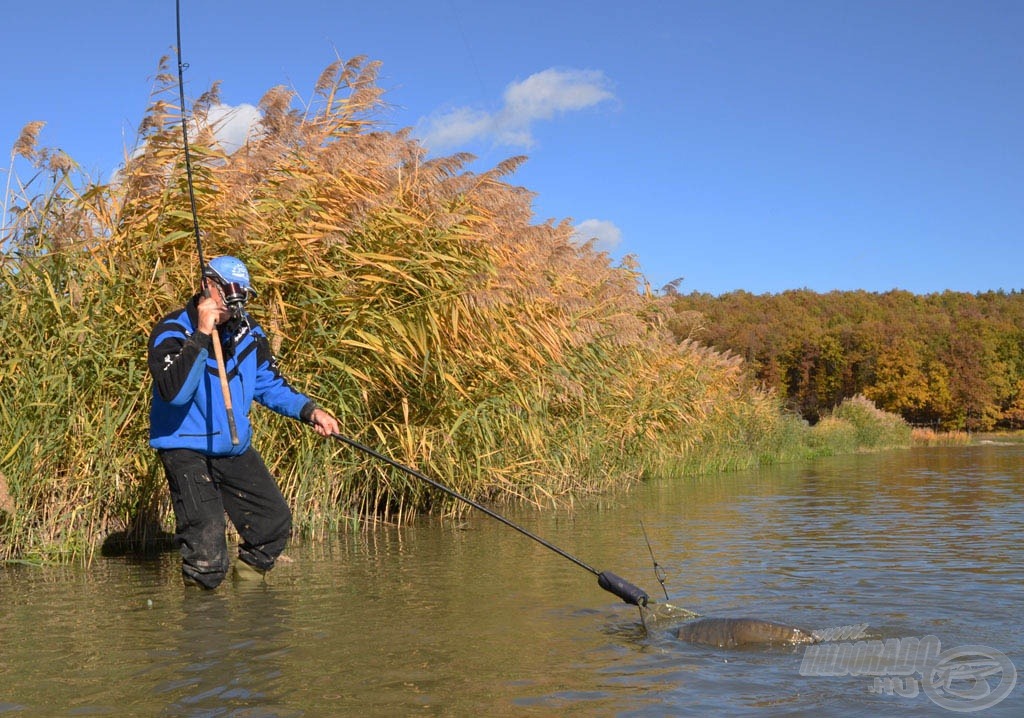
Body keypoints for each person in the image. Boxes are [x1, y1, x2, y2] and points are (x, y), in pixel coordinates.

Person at [147, 255, 340, 588]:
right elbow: (174, 393)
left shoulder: (247, 331)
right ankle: (204, 628)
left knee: (273, 525)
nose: (236, 304)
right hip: (185, 447)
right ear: (208, 286)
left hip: (232, 445)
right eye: (229, 293)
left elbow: (268, 383)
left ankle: (249, 603)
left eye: (243, 295)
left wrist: (309, 411)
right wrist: (202, 334)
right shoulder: (172, 331)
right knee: (207, 556)